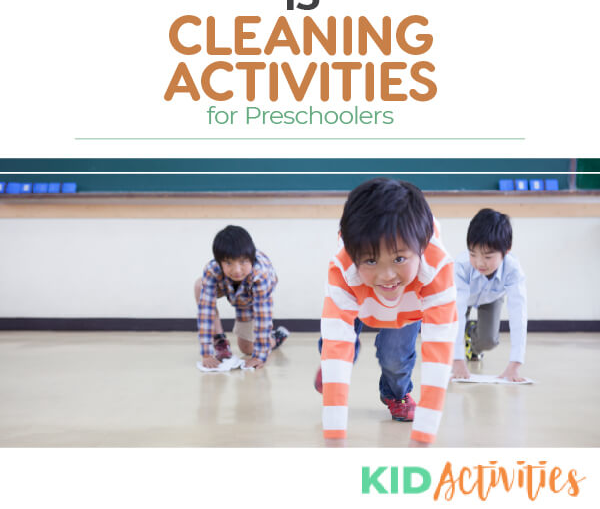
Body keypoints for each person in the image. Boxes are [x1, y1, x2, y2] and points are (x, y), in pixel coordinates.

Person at [317, 179, 457, 446]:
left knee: (394, 359)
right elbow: (337, 344)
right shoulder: (342, 269)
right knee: (334, 346)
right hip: (360, 295)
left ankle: (395, 395)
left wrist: (423, 439)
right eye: (371, 260)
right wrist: (334, 440)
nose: (387, 275)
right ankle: (335, 358)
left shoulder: (437, 270)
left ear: (422, 247)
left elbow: (438, 354)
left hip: (410, 303)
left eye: (399, 259)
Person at [194, 225, 288, 368]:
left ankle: (275, 337)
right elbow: (206, 310)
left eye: (243, 261)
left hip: (252, 294)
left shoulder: (260, 275)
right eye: (228, 263)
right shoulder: (212, 269)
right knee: (200, 285)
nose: (236, 270)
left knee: (247, 348)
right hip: (228, 286)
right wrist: (206, 353)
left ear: (251, 258)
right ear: (219, 262)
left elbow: (263, 316)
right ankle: (220, 341)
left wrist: (260, 356)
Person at [451, 208, 527, 382]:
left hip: (492, 298)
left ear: (506, 250)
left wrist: (515, 363)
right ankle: (464, 338)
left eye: (488, 256)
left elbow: (519, 314)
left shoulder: (513, 270)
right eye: (473, 254)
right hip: (464, 298)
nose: (479, 263)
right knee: (452, 327)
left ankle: (472, 337)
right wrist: (457, 359)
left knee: (489, 341)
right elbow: (456, 312)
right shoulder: (461, 267)